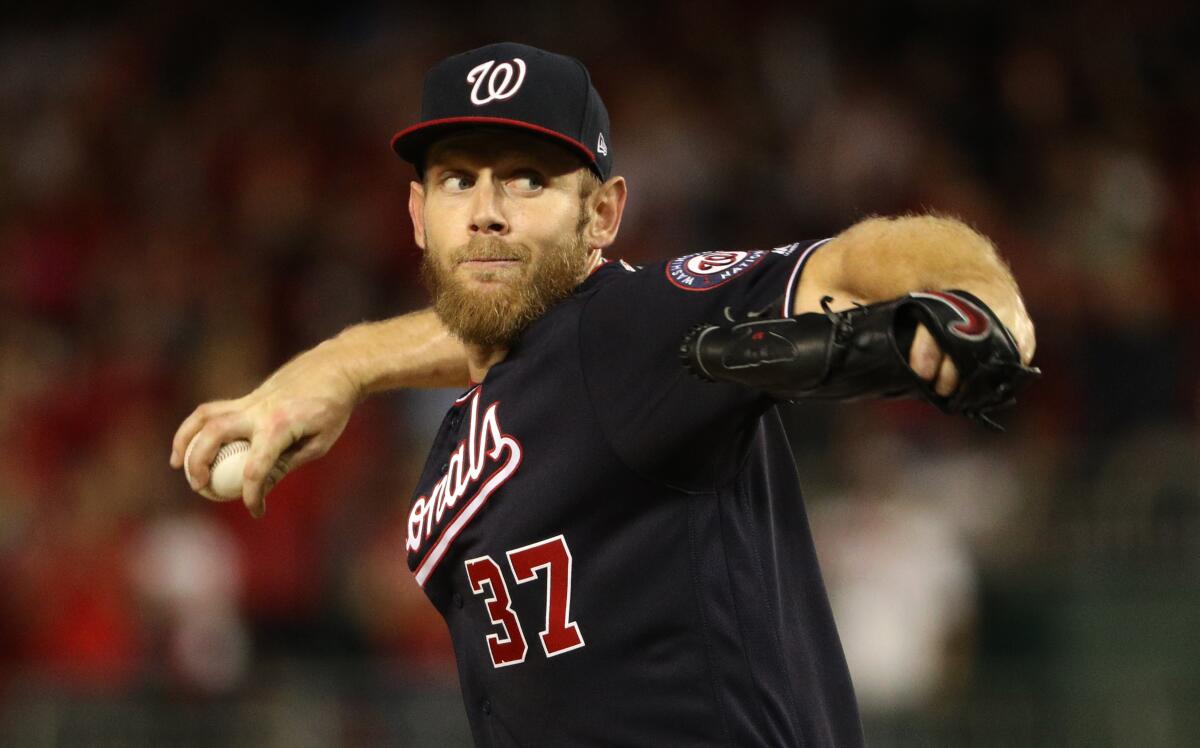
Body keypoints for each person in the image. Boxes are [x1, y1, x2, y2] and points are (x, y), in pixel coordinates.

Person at [171, 42, 1035, 747]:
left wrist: (977, 293)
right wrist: (342, 365)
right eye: (457, 179)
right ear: (415, 213)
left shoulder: (635, 325)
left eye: (528, 179)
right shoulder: (492, 398)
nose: (486, 212)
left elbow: (854, 261)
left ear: (605, 215)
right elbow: (494, 332)